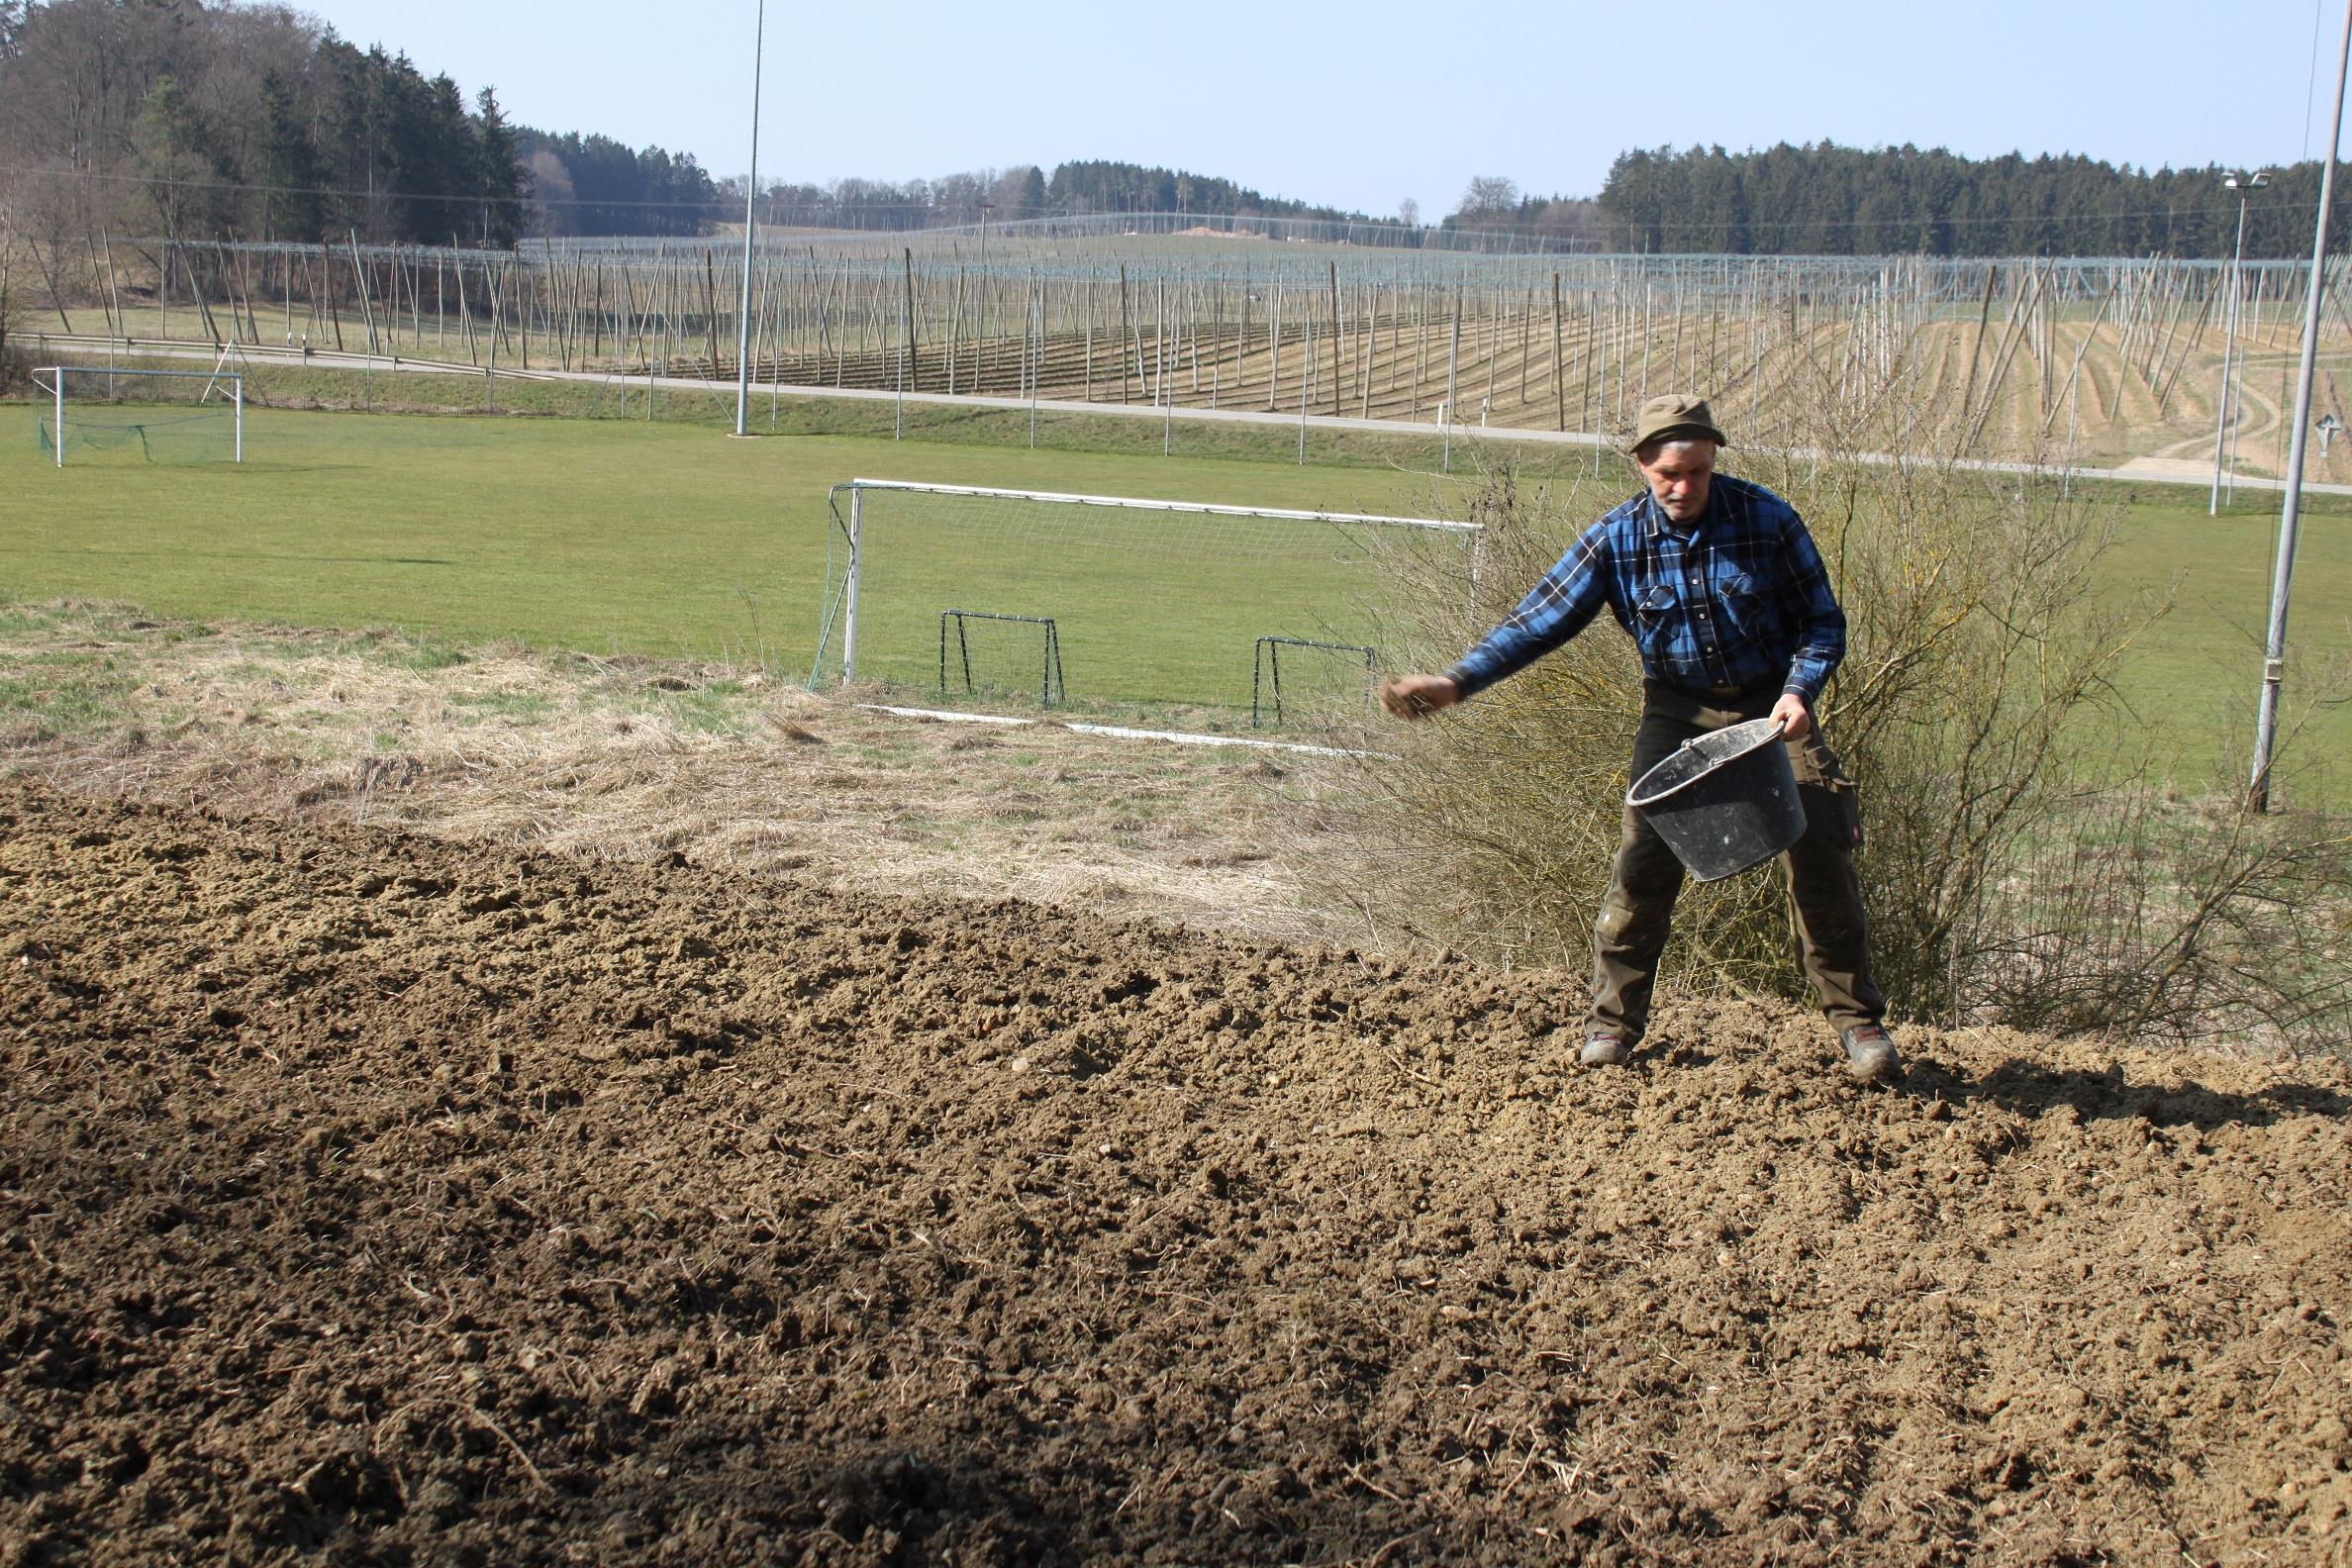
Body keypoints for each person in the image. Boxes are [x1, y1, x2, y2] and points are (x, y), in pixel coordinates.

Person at [1381, 393, 1899, 1084]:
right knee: (1643, 864)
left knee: (1820, 849)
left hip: (1772, 707)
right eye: (1668, 475)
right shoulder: (1616, 539)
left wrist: (1800, 690)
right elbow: (1539, 620)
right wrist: (1457, 682)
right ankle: (1612, 1024)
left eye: (1697, 472)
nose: (1684, 487)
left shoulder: (1767, 520)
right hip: (1676, 712)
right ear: (1642, 466)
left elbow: (1822, 622)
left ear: (1713, 462)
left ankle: (1858, 1022)